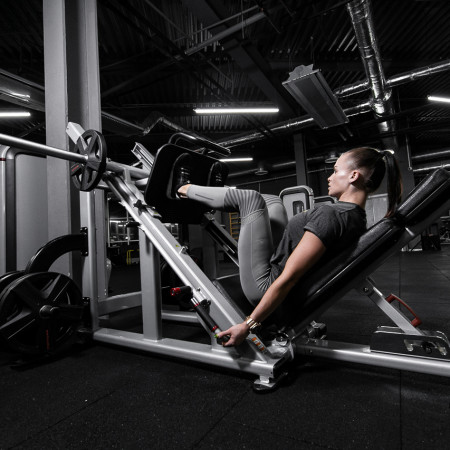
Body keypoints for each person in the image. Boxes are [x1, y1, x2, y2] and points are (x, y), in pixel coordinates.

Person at [175, 147, 403, 346]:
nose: (329, 177)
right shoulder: (356, 217)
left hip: (264, 285)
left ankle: (182, 188)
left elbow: (289, 278)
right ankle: (206, 193)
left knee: (249, 199)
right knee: (273, 201)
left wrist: (248, 325)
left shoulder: (330, 215)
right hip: (280, 275)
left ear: (353, 176)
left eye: (335, 170)